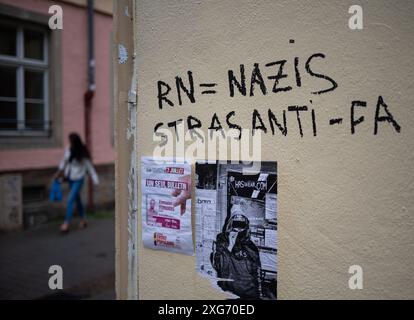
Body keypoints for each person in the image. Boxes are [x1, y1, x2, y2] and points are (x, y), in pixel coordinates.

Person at [211, 214, 262, 299]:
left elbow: (257, 270)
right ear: (231, 224)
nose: (238, 228)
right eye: (236, 224)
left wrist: (259, 292)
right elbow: (217, 265)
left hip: (246, 290)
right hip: (226, 288)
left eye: (241, 225)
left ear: (246, 227)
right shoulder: (222, 240)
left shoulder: (250, 246)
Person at [55, 133, 99, 233]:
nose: (69, 143)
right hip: (70, 178)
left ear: (75, 142)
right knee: (77, 200)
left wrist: (95, 180)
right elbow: (64, 162)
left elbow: (90, 168)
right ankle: (83, 220)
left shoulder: (82, 153)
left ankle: (66, 224)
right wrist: (59, 174)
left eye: (70, 141)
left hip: (79, 180)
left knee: (70, 199)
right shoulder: (69, 150)